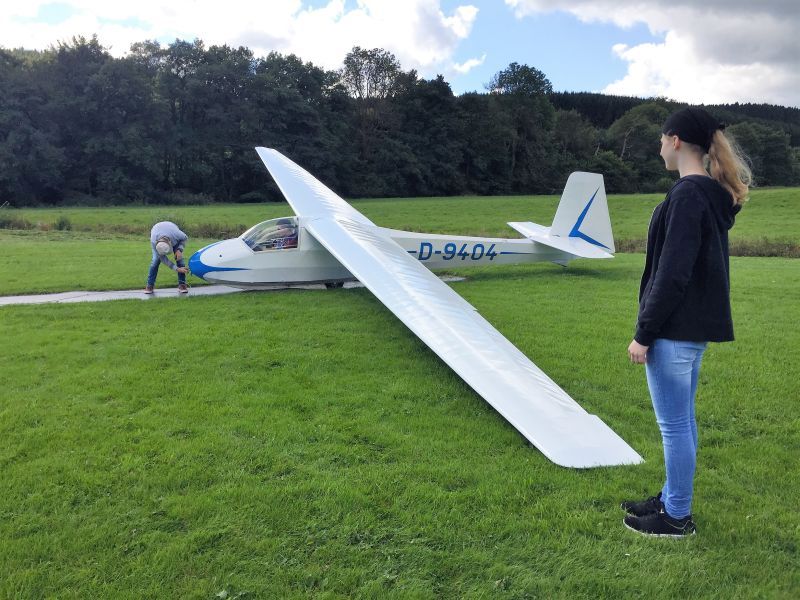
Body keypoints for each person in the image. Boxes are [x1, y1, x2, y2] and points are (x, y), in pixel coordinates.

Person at [622, 107, 752, 538]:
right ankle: (670, 497)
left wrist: (644, 333)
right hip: (691, 332)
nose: (660, 147)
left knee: (675, 426)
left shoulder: (687, 195)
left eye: (662, 139)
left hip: (674, 332)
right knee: (683, 421)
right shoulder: (704, 194)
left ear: (675, 141)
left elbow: (673, 273)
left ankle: (676, 516)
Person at [145, 221, 190, 294]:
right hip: (157, 232)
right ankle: (149, 285)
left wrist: (179, 250)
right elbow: (164, 260)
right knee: (155, 261)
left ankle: (182, 284)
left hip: (171, 231)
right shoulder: (154, 241)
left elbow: (185, 238)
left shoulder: (176, 234)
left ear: (170, 243)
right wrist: (177, 269)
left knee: (180, 260)